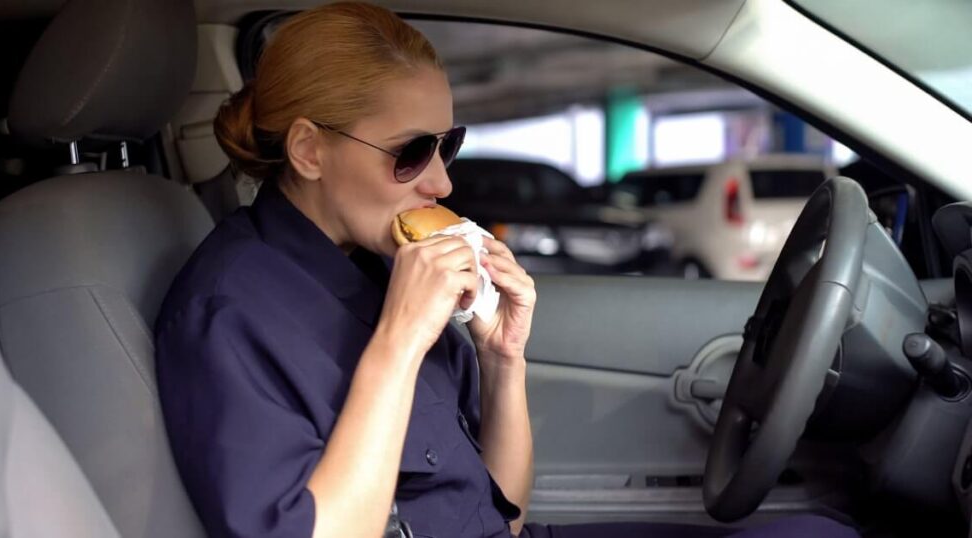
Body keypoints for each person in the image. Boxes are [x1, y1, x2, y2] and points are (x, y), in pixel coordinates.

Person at [154, 3, 859, 537]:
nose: (441, 183)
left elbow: (506, 515)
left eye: (448, 146)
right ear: (309, 150)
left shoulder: (380, 265)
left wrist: (503, 359)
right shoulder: (228, 311)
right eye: (411, 153)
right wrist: (397, 344)